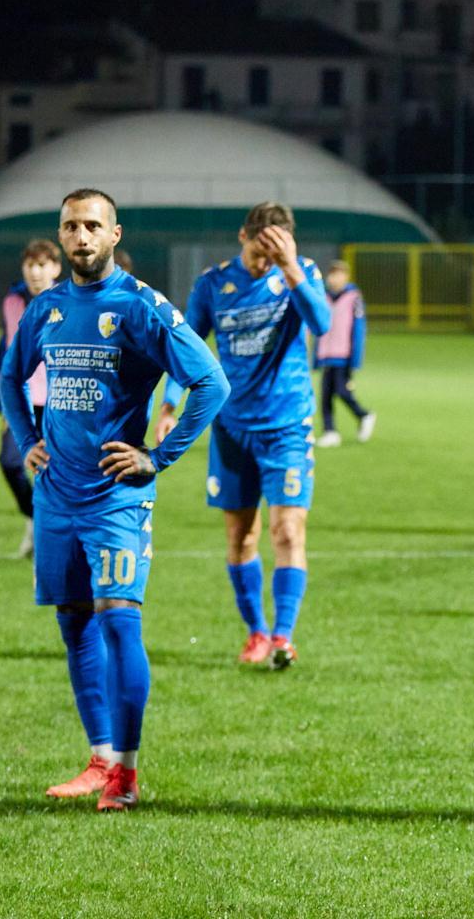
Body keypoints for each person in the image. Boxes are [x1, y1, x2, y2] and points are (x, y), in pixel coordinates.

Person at [0, 188, 228, 810]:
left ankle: (125, 774)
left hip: (117, 498)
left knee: (119, 620)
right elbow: (8, 378)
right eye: (71, 226)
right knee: (74, 624)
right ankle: (100, 759)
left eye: (92, 225)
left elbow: (211, 381)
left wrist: (158, 456)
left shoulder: (140, 305)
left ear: (115, 234)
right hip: (56, 494)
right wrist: (27, 441)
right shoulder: (45, 308)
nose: (81, 237)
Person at [154, 202, 330, 669]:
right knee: (242, 536)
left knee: (287, 530)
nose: (264, 261)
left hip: (287, 425)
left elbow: (322, 324)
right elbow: (187, 346)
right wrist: (170, 403)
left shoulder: (299, 272)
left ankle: (282, 637)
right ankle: (254, 632)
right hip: (232, 429)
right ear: (242, 237)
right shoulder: (214, 284)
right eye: (259, 251)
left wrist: (290, 267)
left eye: (275, 252)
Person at [0, 239, 62, 557]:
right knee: (9, 462)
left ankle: (51, 538)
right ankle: (35, 520)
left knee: (55, 472)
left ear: (56, 269)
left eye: (42, 265)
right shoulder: (13, 301)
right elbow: (9, 353)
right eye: (30, 265)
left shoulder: (68, 299)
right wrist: (4, 403)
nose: (35, 272)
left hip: (59, 401)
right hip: (23, 398)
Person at [314, 260, 375, 447]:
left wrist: (355, 358)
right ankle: (330, 431)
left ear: (346, 276)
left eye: (339, 274)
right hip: (326, 354)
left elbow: (358, 329)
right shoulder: (323, 296)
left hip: (344, 355)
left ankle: (364, 415)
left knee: (342, 391)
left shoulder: (353, 297)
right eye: (332, 274)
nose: (334, 278)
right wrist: (316, 356)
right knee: (325, 395)